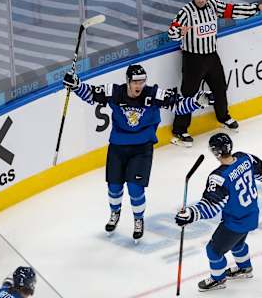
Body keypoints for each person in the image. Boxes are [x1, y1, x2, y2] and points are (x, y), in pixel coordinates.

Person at [63, 65, 213, 240]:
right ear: (128, 81)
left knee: (135, 188)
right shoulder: (115, 92)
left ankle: (138, 219)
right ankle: (115, 213)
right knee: (114, 187)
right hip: (118, 147)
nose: (139, 85)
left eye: (142, 81)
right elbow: (91, 94)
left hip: (142, 148)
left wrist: (196, 101)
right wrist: (76, 85)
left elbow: (178, 106)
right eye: (135, 81)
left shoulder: (153, 94)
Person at [167, 0, 262, 147]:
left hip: (211, 56)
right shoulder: (186, 12)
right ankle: (179, 130)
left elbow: (233, 10)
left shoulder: (213, 5)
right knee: (189, 94)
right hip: (193, 60)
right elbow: (172, 31)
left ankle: (223, 117)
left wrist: (257, 8)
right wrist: (179, 32)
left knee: (220, 87)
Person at [175, 133, 262, 291]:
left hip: (235, 221)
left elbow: (211, 207)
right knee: (237, 243)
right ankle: (244, 268)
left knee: (213, 250)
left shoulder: (219, 177)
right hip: (251, 215)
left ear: (215, 152)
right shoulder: (245, 158)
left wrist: (190, 214)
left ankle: (218, 279)